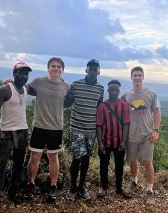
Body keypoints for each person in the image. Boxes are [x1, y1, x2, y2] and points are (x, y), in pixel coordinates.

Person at [0, 62, 32, 213]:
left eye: (26, 74)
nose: (24, 76)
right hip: (6, 133)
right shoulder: (5, 89)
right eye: (21, 73)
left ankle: (13, 192)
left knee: (18, 166)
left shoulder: (25, 89)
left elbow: (44, 88)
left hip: (22, 132)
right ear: (14, 74)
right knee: (1, 166)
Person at [25, 57, 69, 201]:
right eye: (53, 66)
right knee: (35, 156)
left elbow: (70, 100)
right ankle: (30, 182)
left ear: (62, 70)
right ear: (48, 68)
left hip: (56, 127)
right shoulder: (38, 82)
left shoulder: (66, 87)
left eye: (58, 67)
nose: (56, 69)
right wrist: (11, 84)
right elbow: (24, 89)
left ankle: (53, 185)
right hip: (39, 125)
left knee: (53, 156)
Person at [65, 59, 104, 200]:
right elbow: (67, 102)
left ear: (98, 71)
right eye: (90, 69)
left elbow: (99, 108)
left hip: (91, 130)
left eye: (95, 69)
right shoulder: (75, 85)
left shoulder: (100, 88)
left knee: (86, 158)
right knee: (77, 158)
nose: (93, 71)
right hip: (76, 127)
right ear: (86, 70)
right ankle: (72, 187)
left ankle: (81, 187)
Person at [121, 66, 161, 198]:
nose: (137, 78)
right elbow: (120, 112)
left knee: (148, 161)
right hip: (131, 134)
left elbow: (157, 111)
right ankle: (134, 181)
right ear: (131, 77)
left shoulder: (151, 94)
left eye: (139, 75)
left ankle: (149, 187)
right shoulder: (126, 95)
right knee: (132, 161)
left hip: (147, 134)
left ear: (143, 77)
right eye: (135, 75)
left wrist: (156, 130)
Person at [96, 80, 132, 199]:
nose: (114, 92)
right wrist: (100, 143)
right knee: (103, 165)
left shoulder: (124, 105)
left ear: (118, 91)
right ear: (108, 90)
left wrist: (124, 141)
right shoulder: (102, 106)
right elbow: (99, 125)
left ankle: (119, 187)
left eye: (116, 90)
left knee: (119, 166)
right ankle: (104, 187)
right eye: (112, 89)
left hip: (119, 142)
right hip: (105, 141)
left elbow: (126, 124)